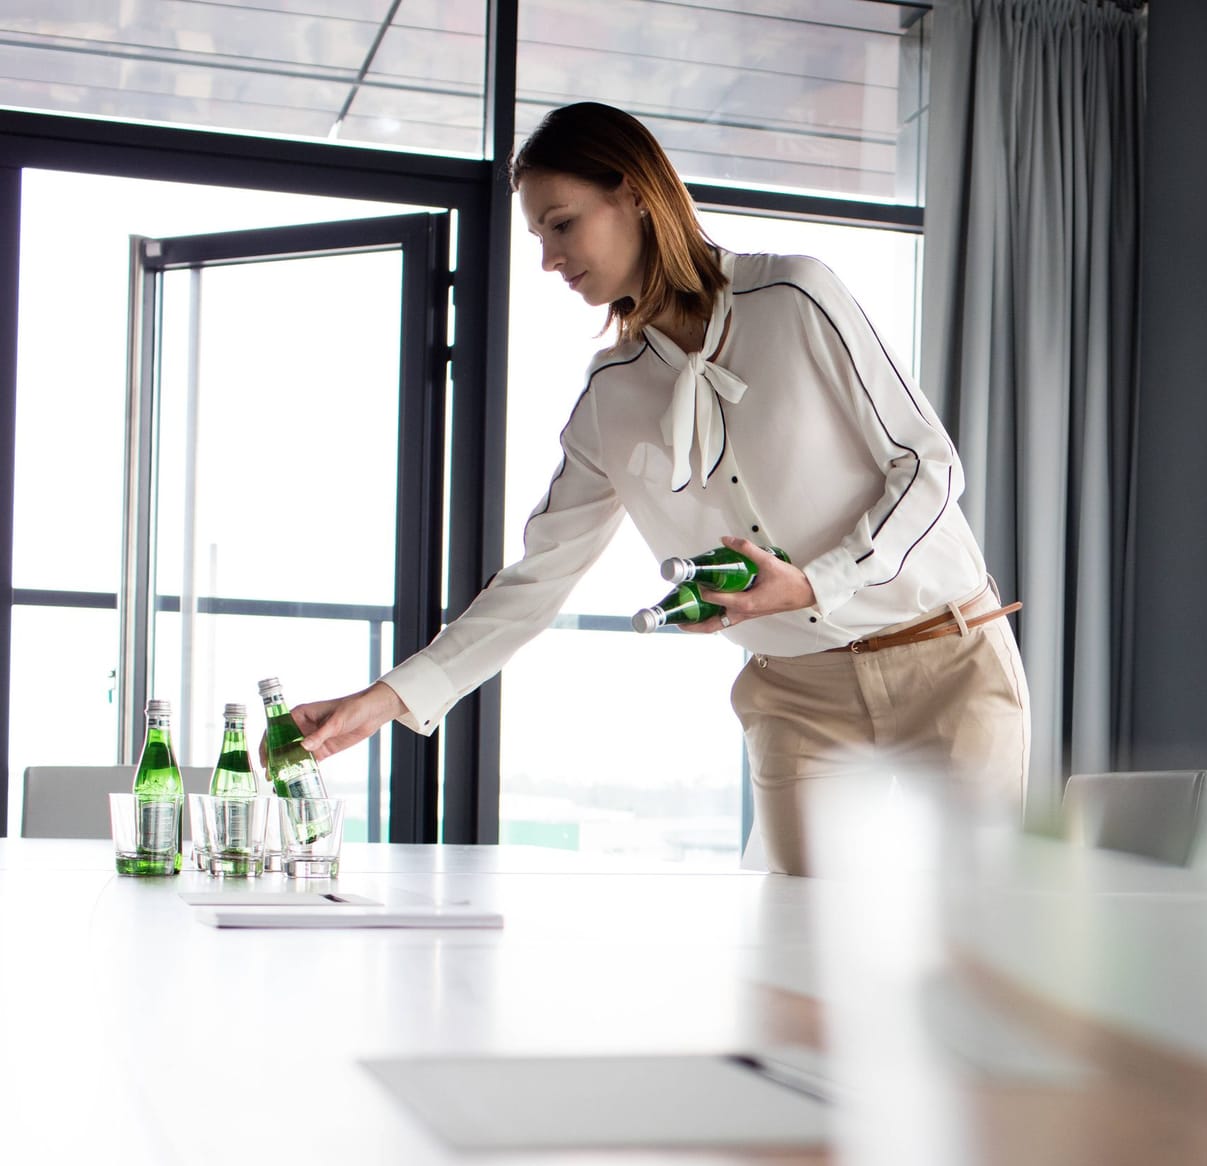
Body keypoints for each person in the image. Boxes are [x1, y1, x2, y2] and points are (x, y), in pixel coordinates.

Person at [290, 102, 1030, 874]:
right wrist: (380, 701)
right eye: (538, 236)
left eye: (562, 224)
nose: (548, 258)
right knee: (798, 963)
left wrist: (817, 581)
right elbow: (536, 578)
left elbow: (928, 465)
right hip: (796, 697)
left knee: (972, 948)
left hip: (943, 657)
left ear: (635, 193)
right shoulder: (612, 393)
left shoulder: (796, 299)